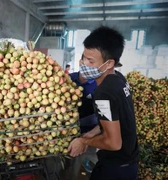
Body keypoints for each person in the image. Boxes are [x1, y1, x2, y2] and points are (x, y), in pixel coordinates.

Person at [68, 26, 139, 180]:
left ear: (108, 64)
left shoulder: (103, 93)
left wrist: (83, 141)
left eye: (90, 61)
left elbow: (113, 143)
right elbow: (114, 117)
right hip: (128, 164)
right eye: (84, 57)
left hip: (116, 169)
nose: (83, 64)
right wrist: (93, 133)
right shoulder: (119, 79)